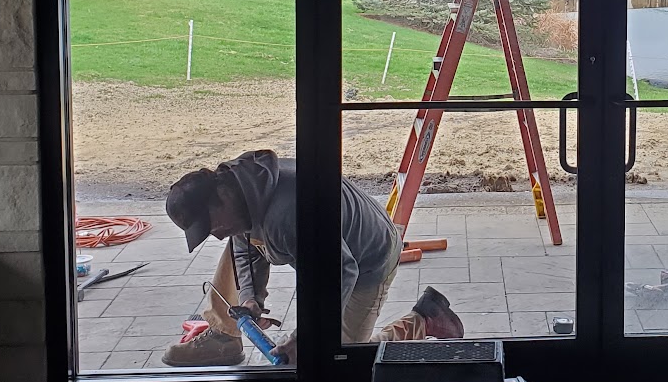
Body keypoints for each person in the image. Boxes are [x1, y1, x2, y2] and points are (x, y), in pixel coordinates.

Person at [159, 149, 463, 367]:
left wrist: (304, 338)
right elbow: (244, 243)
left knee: (341, 358)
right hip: (335, 248)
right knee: (234, 233)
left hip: (369, 258)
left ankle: (424, 320)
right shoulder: (239, 186)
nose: (215, 235)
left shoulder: (290, 214)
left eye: (211, 225)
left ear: (221, 197)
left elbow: (340, 272)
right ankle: (225, 335)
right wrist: (251, 299)